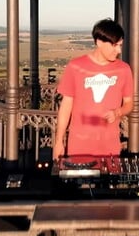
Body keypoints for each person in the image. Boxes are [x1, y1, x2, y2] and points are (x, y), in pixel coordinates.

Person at [53, 18, 134, 159]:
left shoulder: (124, 69)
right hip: (79, 145)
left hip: (110, 145)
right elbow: (65, 107)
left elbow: (129, 104)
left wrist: (117, 112)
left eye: (120, 45)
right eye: (115, 45)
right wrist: (59, 141)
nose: (119, 50)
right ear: (99, 42)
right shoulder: (75, 67)